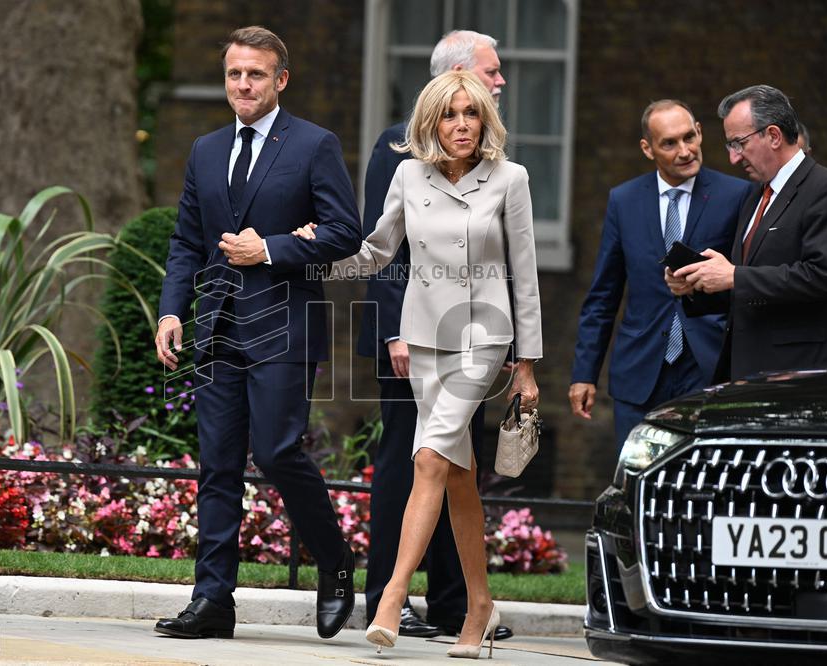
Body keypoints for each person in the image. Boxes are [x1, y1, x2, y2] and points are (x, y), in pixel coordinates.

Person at [293, 70, 541, 658]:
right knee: (458, 477)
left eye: (471, 114)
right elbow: (379, 248)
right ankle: (478, 606)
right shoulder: (409, 173)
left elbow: (525, 276)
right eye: (450, 114)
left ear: (486, 120)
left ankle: (391, 599)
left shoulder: (511, 179)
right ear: (431, 122)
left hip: (483, 340)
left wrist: (526, 365)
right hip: (424, 339)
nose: (462, 125)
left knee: (428, 458)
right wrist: (311, 257)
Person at [152, 26, 362, 641]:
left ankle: (334, 560)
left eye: (256, 75)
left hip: (284, 326)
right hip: (217, 328)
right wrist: (171, 313)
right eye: (234, 74)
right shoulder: (205, 149)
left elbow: (345, 233)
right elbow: (187, 240)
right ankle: (213, 600)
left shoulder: (314, 145)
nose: (243, 84)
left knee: (274, 452)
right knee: (217, 465)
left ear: (280, 80)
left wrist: (267, 249)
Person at [357, 29, 512, 641]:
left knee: (458, 465)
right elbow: (385, 252)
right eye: (490, 71)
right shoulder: (396, 146)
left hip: (471, 338)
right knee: (406, 460)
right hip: (410, 339)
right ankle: (383, 598)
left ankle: (453, 605)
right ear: (451, 76)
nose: (500, 81)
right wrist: (397, 333)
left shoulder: (488, 155)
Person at [570, 100, 750, 450]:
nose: (685, 151)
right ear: (647, 149)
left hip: (707, 366)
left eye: (689, 137)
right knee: (637, 477)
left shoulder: (735, 195)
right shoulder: (623, 201)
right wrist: (584, 374)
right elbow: (603, 296)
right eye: (669, 143)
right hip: (640, 368)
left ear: (699, 131)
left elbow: (745, 281)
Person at [667, 84, 827, 381]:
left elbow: (820, 277)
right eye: (730, 146)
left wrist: (733, 275)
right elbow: (749, 292)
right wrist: (698, 284)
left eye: (738, 143)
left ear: (773, 136)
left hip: (795, 375)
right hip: (744, 371)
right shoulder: (755, 195)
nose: (734, 158)